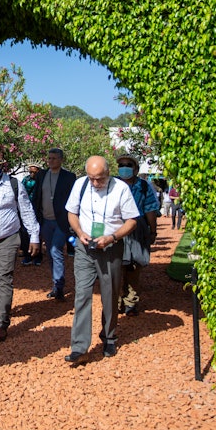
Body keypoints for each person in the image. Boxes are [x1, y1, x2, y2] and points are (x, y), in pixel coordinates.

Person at [64, 156, 139, 365]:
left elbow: (132, 220)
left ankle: (109, 337)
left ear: (108, 173)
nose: (96, 183)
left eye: (100, 179)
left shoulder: (121, 189)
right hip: (85, 248)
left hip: (111, 248)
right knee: (82, 295)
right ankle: (79, 347)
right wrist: (79, 232)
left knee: (110, 295)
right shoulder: (80, 184)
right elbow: (71, 212)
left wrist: (112, 237)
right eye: (92, 179)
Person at [0, 151, 41, 342]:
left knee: (3, 279)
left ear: (2, 167)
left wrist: (34, 236)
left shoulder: (13, 185)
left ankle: (1, 323)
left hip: (7, 240)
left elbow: (26, 210)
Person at [114, 154, 160, 317]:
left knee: (134, 266)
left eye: (128, 164)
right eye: (121, 164)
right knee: (116, 266)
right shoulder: (112, 184)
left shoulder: (144, 187)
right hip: (116, 228)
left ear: (135, 168)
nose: (124, 167)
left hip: (137, 229)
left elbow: (150, 210)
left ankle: (131, 302)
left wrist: (152, 231)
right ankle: (116, 301)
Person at [30, 148, 76, 300]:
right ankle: (55, 285)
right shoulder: (42, 175)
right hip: (45, 221)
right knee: (50, 253)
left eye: (54, 158)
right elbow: (36, 196)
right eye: (49, 158)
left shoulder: (69, 177)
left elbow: (73, 200)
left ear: (61, 160)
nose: (51, 161)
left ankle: (59, 286)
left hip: (61, 221)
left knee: (56, 251)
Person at [19, 163, 41, 266]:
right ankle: (27, 255)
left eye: (34, 172)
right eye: (30, 172)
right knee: (24, 233)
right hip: (26, 208)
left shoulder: (41, 181)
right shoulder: (25, 180)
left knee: (37, 232)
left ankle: (37, 256)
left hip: (38, 209)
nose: (32, 174)